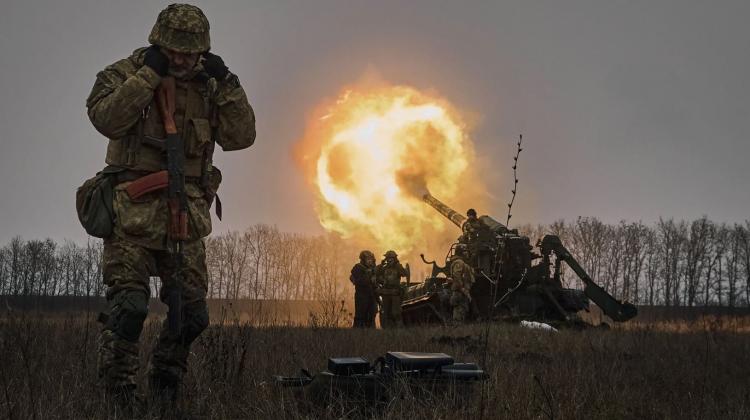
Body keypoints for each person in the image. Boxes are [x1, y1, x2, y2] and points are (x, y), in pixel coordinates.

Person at [86, 3, 256, 405]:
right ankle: (119, 397)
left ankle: (165, 385)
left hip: (186, 217)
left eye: (190, 53)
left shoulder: (211, 85)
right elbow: (106, 119)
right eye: (174, 51)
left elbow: (241, 136)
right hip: (132, 218)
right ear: (159, 44)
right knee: (128, 310)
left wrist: (228, 83)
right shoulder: (126, 73)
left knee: (192, 315)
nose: (181, 60)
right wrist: (148, 75)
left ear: (203, 51)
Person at [376, 250, 409, 328]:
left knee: (396, 313)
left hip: (395, 293)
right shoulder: (384, 268)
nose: (389, 260)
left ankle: (399, 329)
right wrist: (381, 265)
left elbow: (405, 274)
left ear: (394, 258)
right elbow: (376, 274)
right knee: (386, 313)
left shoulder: (398, 267)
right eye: (388, 258)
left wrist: (399, 266)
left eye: (391, 258)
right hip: (385, 293)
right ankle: (388, 330)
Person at [350, 250, 378, 328]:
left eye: (371, 259)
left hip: (372, 295)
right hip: (361, 295)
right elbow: (358, 281)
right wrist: (369, 278)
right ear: (363, 259)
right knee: (360, 315)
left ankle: (371, 332)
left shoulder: (373, 268)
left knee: (372, 314)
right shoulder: (358, 268)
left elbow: (377, 280)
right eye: (368, 259)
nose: (370, 261)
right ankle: (358, 332)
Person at [449, 245, 475, 323]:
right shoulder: (459, 262)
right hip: (460, 292)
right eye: (465, 251)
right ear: (461, 253)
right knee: (459, 313)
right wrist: (463, 289)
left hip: (462, 292)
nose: (467, 253)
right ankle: (456, 330)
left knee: (463, 311)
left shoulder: (462, 262)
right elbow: (457, 276)